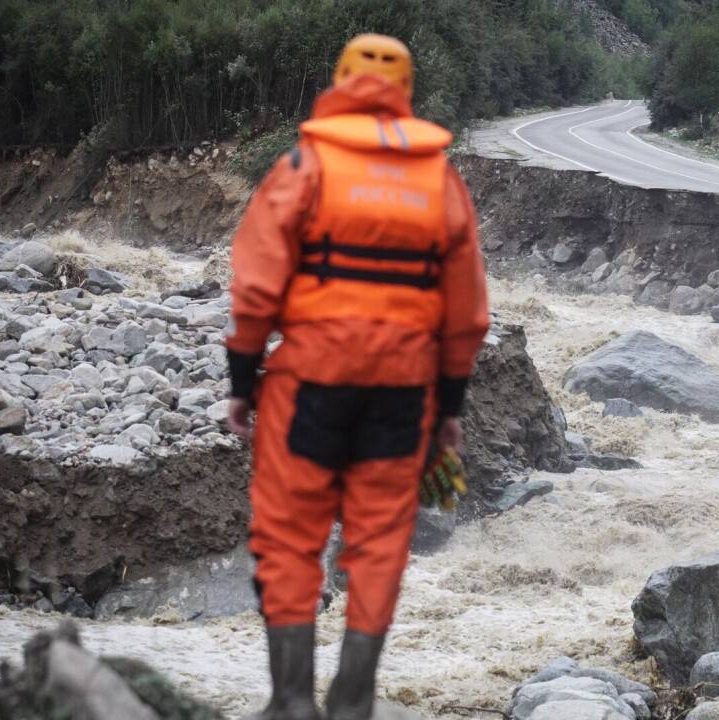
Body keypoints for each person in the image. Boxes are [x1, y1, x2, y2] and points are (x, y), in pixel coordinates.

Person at [223, 33, 490, 720]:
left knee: (288, 537)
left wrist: (241, 382)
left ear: (340, 81)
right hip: (404, 391)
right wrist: (451, 405)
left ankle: (289, 701)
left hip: (309, 379)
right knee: (378, 542)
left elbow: (255, 288)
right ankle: (354, 699)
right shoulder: (440, 178)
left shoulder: (305, 163)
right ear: (406, 90)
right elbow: (465, 316)